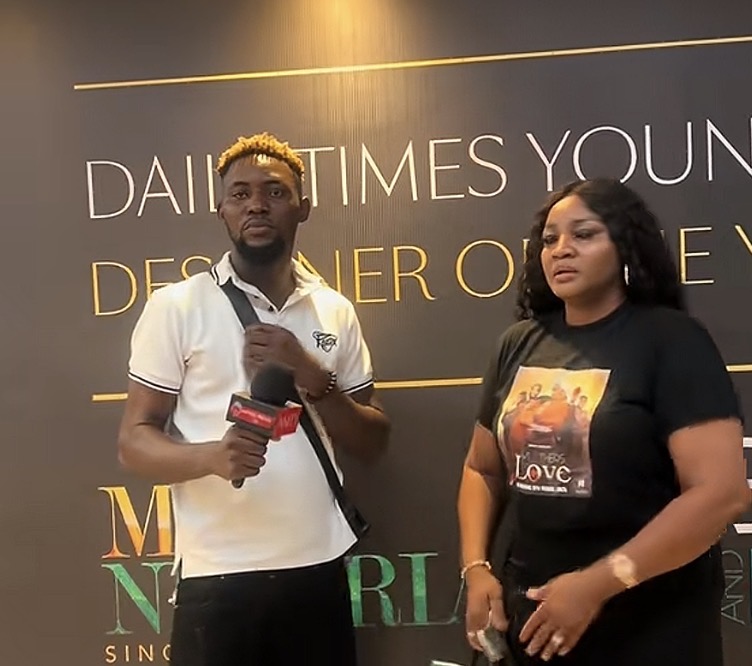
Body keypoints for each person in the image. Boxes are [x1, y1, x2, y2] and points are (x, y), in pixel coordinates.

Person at [117, 132, 391, 666]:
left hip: (317, 569)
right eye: (240, 194)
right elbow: (133, 442)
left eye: (275, 192)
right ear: (221, 210)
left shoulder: (333, 311)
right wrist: (211, 457)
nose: (257, 205)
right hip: (217, 576)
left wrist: (311, 375)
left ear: (303, 207)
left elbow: (373, 441)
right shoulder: (177, 306)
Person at [457, 178, 749, 665]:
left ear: (624, 246)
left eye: (584, 234)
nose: (561, 249)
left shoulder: (672, 341)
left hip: (648, 618)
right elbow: (481, 468)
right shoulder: (519, 343)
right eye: (549, 239)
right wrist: (476, 569)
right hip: (535, 619)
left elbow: (722, 492)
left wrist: (596, 585)